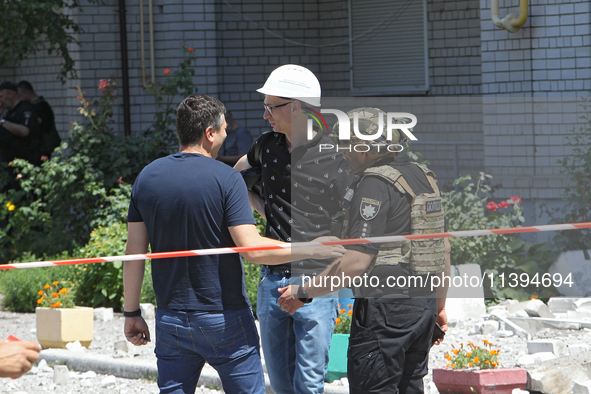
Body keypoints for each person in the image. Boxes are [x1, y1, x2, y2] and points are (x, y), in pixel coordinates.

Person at [122, 94, 345, 394]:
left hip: (171, 318)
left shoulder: (146, 178)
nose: (228, 135)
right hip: (225, 319)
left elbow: (134, 253)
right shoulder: (226, 180)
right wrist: (313, 248)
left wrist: (131, 313)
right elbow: (252, 249)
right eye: (224, 129)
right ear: (209, 133)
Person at [278, 108, 451, 394]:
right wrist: (440, 307)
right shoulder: (421, 177)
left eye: (347, 144)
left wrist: (303, 292)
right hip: (423, 306)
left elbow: (356, 262)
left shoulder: (374, 184)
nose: (344, 152)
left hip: (385, 312)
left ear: (365, 147)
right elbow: (442, 247)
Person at [234, 65, 357, 394]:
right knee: (280, 385)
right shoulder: (266, 145)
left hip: (315, 282)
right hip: (271, 279)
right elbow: (235, 178)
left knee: (308, 385)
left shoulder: (334, 157)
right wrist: (259, 206)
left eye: (271, 107)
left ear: (296, 107)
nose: (265, 115)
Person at [0, 81, 41, 191]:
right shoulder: (8, 113)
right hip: (9, 164)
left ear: (11, 95)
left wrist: (2, 121)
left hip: (24, 163)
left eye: (2, 96)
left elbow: (24, 131)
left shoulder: (25, 110)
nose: (1, 101)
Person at [16, 81, 61, 159]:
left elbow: (35, 124)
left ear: (26, 93)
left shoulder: (41, 107)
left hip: (42, 147)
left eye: (20, 96)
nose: (20, 99)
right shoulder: (33, 106)